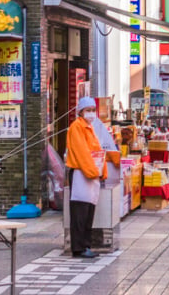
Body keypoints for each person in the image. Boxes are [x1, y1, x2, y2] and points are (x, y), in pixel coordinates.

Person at [65, 96, 107, 259]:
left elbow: (96, 151)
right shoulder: (76, 127)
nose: (91, 113)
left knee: (88, 211)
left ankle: (86, 245)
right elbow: (81, 152)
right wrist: (93, 171)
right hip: (81, 173)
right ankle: (79, 247)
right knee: (80, 213)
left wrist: (100, 171)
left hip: (89, 174)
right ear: (80, 112)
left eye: (92, 110)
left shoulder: (89, 127)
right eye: (87, 110)